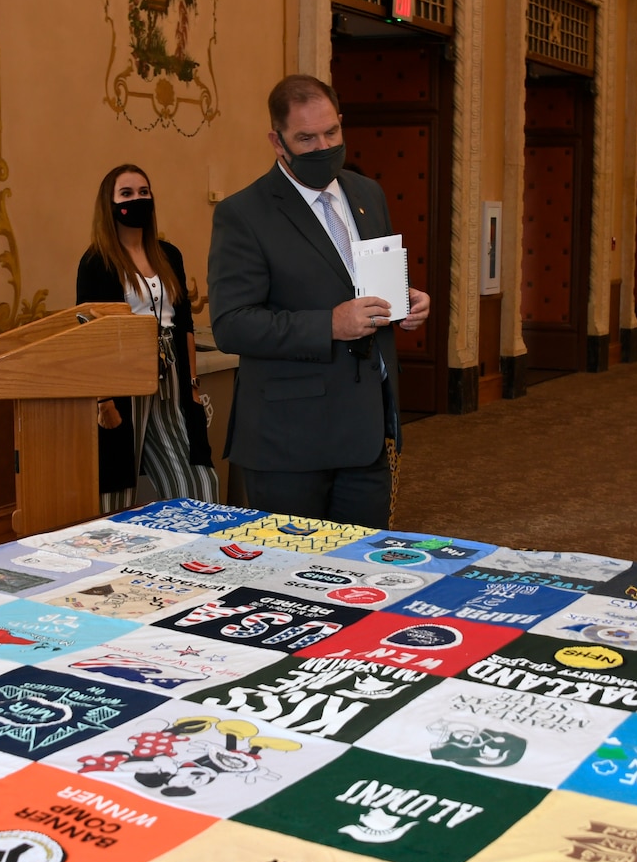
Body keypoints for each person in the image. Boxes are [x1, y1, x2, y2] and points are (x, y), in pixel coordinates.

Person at [207, 74, 430, 528]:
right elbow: (232, 324)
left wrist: (405, 303)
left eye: (331, 133)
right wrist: (328, 324)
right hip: (290, 442)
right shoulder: (244, 213)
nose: (322, 146)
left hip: (367, 432)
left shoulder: (367, 193)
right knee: (292, 579)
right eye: (306, 138)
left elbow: (365, 281)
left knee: (362, 572)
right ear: (277, 141)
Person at [77, 163, 218, 512]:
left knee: (199, 482)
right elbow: (91, 335)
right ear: (109, 204)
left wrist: (194, 386)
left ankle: (197, 554)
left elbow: (184, 322)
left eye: (144, 192)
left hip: (172, 374)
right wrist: (103, 400)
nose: (137, 199)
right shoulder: (97, 261)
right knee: (115, 486)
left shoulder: (168, 254)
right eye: (126, 194)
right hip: (123, 375)